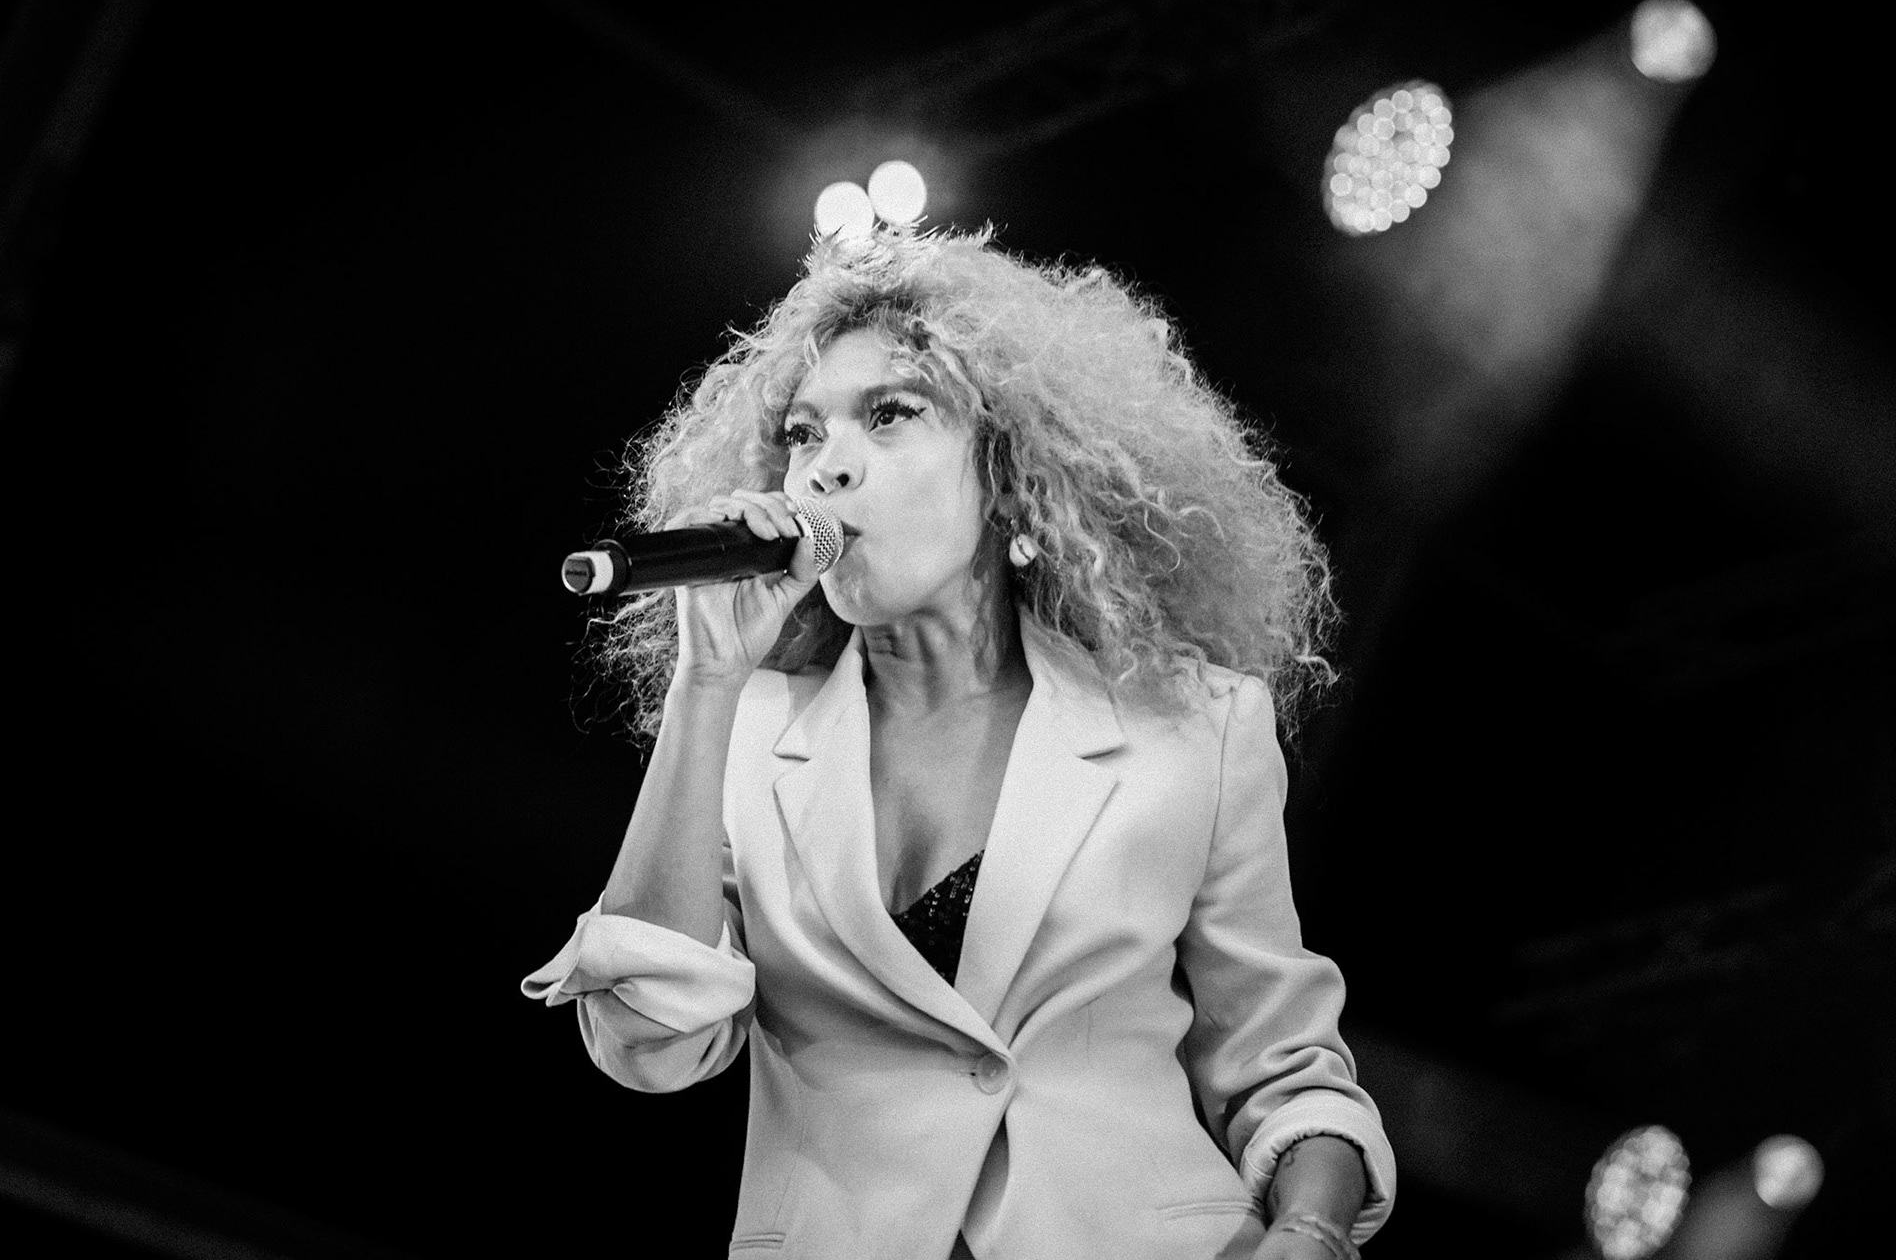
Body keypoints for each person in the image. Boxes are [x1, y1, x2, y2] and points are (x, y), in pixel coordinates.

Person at [522, 226, 1396, 1259]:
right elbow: (649, 1042)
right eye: (803, 436)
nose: (825, 471)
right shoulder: (747, 729)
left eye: (890, 415)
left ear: (1010, 470)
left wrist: (1309, 1227)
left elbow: (1282, 1068)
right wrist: (707, 683)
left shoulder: (1196, 727)